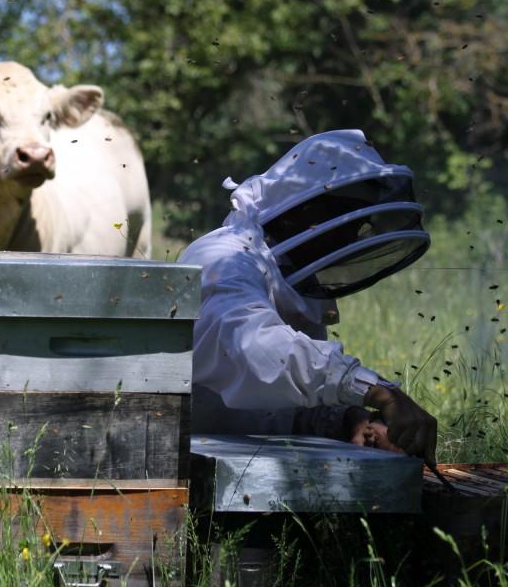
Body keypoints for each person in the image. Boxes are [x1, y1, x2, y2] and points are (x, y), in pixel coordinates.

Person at [179, 129, 437, 461]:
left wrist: (349, 421)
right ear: (307, 211)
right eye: (347, 217)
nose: (355, 234)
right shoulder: (225, 260)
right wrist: (373, 389)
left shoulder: (291, 279)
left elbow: (281, 404)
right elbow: (258, 352)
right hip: (178, 469)